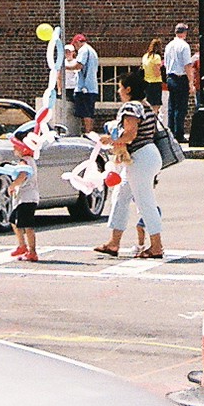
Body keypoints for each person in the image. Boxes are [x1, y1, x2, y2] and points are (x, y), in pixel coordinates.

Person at [93, 70, 164, 260]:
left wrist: (111, 139)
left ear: (129, 89)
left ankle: (157, 246)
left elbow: (130, 134)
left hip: (140, 158)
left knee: (145, 202)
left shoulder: (131, 107)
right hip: (146, 156)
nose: (118, 91)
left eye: (120, 87)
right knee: (120, 197)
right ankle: (113, 243)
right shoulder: (146, 106)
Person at [7, 134, 40, 262]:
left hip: (27, 198)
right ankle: (22, 245)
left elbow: (22, 176)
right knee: (14, 220)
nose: (14, 149)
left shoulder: (25, 162)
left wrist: (13, 185)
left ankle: (32, 251)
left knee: (27, 225)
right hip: (23, 198)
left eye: (16, 147)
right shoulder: (28, 161)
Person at [163, 22, 194, 143]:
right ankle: (179, 134)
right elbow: (187, 65)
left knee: (172, 106)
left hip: (170, 77)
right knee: (181, 108)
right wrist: (191, 82)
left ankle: (171, 132)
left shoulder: (168, 46)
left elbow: (165, 63)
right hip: (180, 77)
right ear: (185, 33)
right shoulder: (184, 46)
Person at [66, 33, 100, 134]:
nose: (75, 48)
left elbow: (79, 65)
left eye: (74, 45)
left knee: (86, 112)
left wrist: (65, 68)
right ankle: (88, 132)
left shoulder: (84, 50)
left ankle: (88, 132)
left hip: (85, 87)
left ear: (77, 42)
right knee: (89, 111)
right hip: (91, 87)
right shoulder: (92, 50)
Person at [141, 38, 164, 107]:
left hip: (146, 83)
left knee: (148, 104)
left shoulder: (145, 56)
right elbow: (156, 73)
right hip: (155, 83)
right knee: (155, 105)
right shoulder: (156, 57)